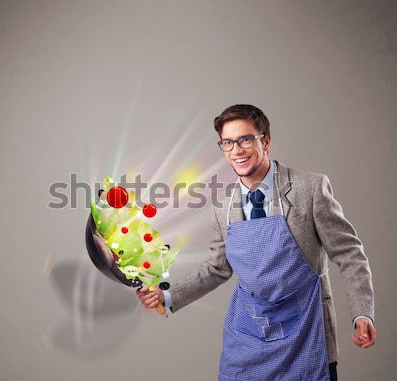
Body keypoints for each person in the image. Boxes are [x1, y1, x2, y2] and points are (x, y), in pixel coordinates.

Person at [136, 104, 376, 380]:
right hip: (248, 337)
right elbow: (217, 268)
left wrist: (362, 314)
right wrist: (166, 294)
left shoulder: (309, 188)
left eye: (245, 139)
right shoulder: (222, 205)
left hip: (306, 333)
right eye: (228, 143)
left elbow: (349, 254)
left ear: (266, 140)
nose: (237, 150)